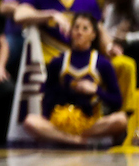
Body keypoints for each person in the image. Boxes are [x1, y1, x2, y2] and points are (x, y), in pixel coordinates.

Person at [23, 12, 128, 147]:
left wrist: (96, 90)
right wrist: (64, 91)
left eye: (85, 29)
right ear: (71, 32)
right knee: (30, 121)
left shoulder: (102, 63)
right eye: (76, 28)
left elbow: (117, 101)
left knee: (121, 120)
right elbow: (47, 96)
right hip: (61, 122)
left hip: (90, 123)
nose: (79, 32)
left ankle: (73, 138)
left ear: (93, 35)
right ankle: (74, 140)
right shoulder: (58, 62)